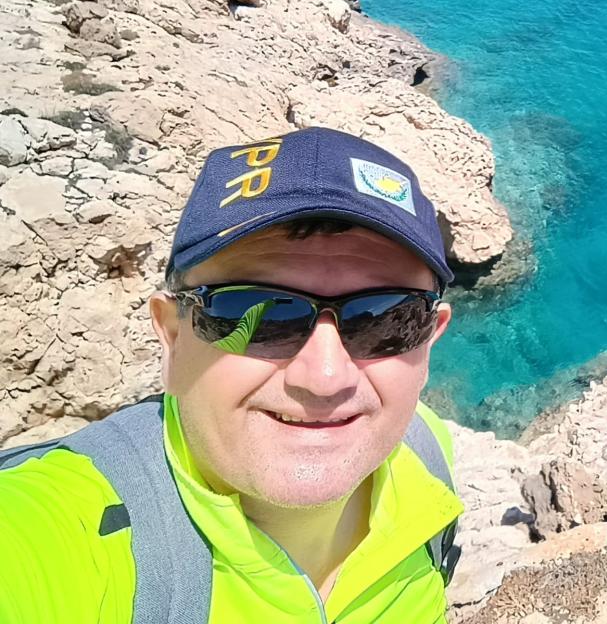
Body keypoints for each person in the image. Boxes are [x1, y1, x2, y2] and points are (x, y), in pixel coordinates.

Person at [0, 126, 464, 623]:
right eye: (256, 314)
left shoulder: (426, 454)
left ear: (430, 337)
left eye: (388, 318)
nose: (325, 377)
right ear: (172, 337)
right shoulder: (56, 534)